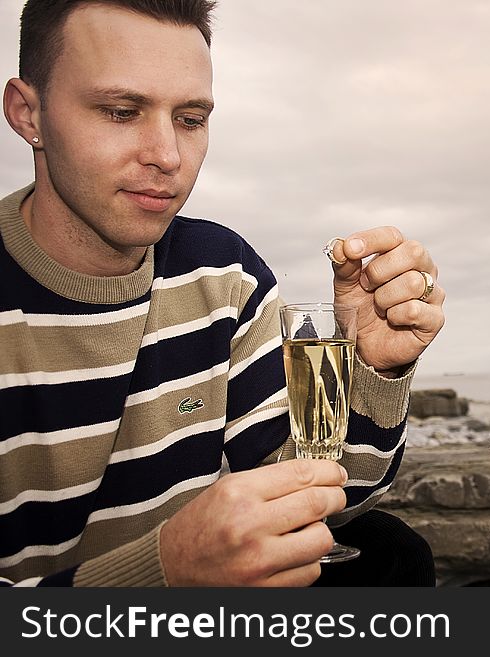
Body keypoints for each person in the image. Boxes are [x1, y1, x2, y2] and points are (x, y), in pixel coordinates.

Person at [0, 0, 445, 587]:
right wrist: (163, 573)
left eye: (190, 119)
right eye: (121, 111)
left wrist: (372, 370)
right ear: (27, 113)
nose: (167, 156)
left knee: (388, 551)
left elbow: (325, 497)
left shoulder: (223, 273)